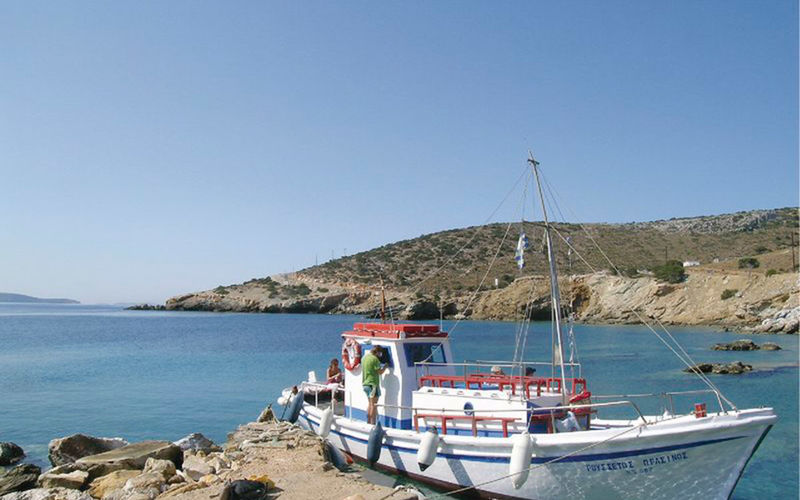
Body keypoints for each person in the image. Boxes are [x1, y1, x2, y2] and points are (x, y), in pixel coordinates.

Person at [362, 345, 387, 424]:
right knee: (374, 405)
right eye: (380, 353)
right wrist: (385, 367)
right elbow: (380, 372)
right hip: (372, 384)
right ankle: (372, 423)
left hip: (365, 383)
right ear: (378, 352)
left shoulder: (364, 358)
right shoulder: (375, 359)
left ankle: (368, 422)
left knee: (370, 403)